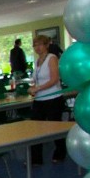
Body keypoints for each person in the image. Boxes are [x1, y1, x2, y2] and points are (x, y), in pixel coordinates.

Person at [29, 35, 67, 164]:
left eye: (40, 45)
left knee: (55, 127)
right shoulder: (37, 61)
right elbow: (37, 79)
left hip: (53, 98)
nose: (37, 48)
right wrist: (33, 88)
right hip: (39, 100)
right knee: (35, 129)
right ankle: (36, 158)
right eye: (35, 45)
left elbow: (54, 79)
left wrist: (38, 88)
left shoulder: (52, 58)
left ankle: (60, 152)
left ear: (46, 46)